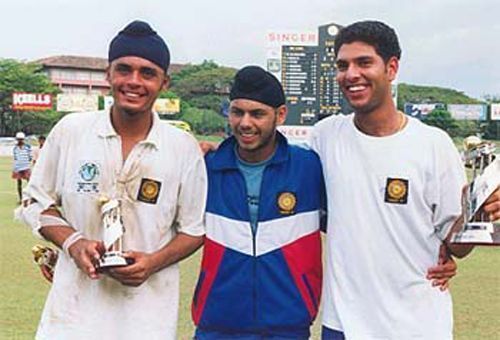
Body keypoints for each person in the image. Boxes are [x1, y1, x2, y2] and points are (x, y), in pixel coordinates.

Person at [310, 20, 500, 340]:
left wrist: (475, 213)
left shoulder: (433, 144)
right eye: (343, 66)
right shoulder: (325, 136)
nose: (351, 74)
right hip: (343, 325)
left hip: (417, 326)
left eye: (364, 62)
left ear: (392, 67)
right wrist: (213, 151)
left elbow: (455, 245)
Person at [19, 20, 207, 339]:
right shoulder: (71, 131)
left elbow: (194, 229)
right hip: (71, 318)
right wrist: (73, 242)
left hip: (146, 321)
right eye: (124, 69)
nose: (134, 81)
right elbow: (37, 204)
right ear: (108, 74)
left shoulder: (182, 148)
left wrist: (152, 262)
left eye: (148, 73)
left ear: (164, 82)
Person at [191, 66, 325, 339]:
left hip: (287, 326)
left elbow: (356, 219)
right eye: (237, 112)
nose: (245, 123)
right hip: (217, 325)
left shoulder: (309, 167)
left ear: (281, 114)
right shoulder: (206, 167)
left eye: (257, 114)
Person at [12, 131, 32, 203]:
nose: (20, 140)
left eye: (21, 139)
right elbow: (15, 158)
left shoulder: (27, 147)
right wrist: (15, 168)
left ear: (23, 139)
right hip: (18, 167)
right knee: (19, 183)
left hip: (26, 166)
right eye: (18, 139)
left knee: (29, 183)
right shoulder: (15, 148)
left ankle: (30, 197)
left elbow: (30, 157)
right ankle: (21, 199)